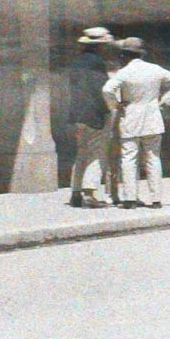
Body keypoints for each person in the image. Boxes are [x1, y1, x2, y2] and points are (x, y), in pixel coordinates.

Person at [103, 36, 170, 209]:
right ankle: (156, 199)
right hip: (152, 118)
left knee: (128, 157)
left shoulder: (124, 73)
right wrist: (165, 101)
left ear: (125, 55)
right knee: (153, 158)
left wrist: (115, 105)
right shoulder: (155, 69)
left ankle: (130, 199)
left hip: (130, 117)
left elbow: (107, 89)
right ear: (141, 54)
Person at [67, 27, 125, 208]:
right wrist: (109, 110)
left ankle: (75, 193)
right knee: (96, 154)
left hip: (78, 114)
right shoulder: (97, 64)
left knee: (81, 154)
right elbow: (100, 91)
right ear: (100, 46)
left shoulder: (77, 62)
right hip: (94, 115)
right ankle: (90, 193)